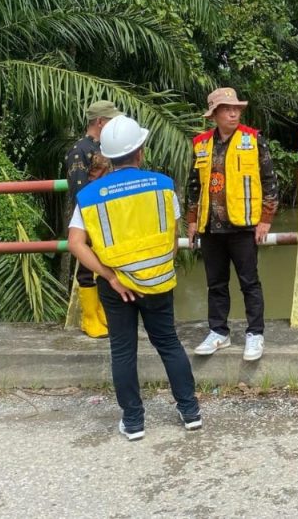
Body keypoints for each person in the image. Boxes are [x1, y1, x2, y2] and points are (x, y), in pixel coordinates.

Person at [68, 115, 201, 441]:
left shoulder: (90, 196)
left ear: (108, 156)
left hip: (117, 285)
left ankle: (134, 421)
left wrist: (110, 276)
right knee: (168, 343)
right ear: (139, 151)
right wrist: (155, 269)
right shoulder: (163, 185)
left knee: (123, 350)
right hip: (158, 281)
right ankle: (190, 412)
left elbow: (76, 243)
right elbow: (171, 238)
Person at [187, 88, 279, 361]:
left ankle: (255, 333)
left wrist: (266, 219)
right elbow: (194, 186)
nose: (233, 113)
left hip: (243, 226)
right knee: (215, 283)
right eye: (227, 108)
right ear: (214, 114)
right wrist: (191, 221)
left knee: (249, 282)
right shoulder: (201, 143)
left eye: (236, 108)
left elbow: (270, 181)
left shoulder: (253, 140)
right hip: (210, 227)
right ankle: (218, 332)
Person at [64, 99, 122, 338]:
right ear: (100, 122)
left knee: (105, 264)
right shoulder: (80, 150)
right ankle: (89, 318)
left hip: (109, 216)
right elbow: (79, 191)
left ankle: (100, 311)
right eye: (111, 121)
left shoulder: (106, 148)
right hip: (88, 217)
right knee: (87, 269)